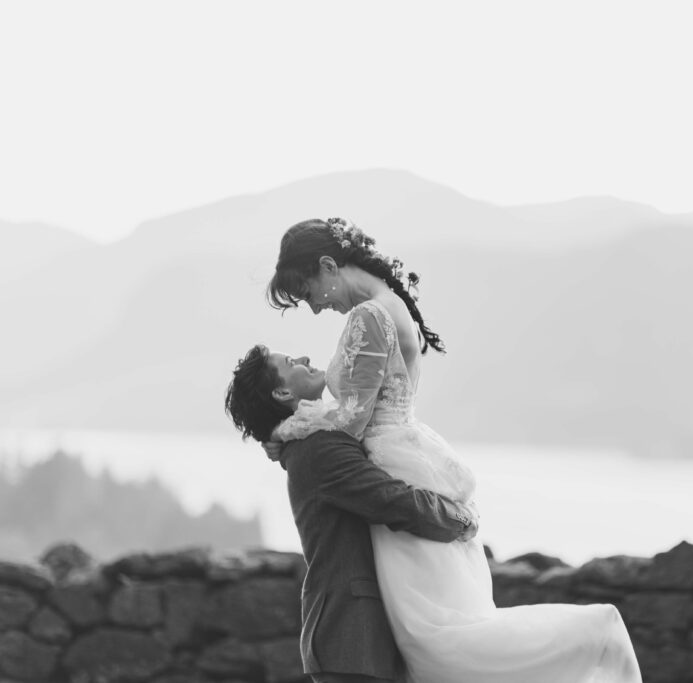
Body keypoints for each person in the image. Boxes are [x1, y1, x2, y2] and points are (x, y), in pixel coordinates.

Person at [264, 217, 642, 683]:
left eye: (309, 293)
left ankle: (595, 633)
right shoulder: (390, 305)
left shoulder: (369, 316)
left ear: (328, 266)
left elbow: (351, 422)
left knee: (435, 639)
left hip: (391, 464)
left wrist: (288, 430)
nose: (317, 308)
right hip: (406, 457)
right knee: (433, 633)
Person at [225, 345, 479, 683]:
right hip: (351, 637)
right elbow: (392, 501)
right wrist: (459, 518)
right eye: (290, 362)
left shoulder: (312, 438)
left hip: (354, 641)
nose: (302, 358)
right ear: (283, 392)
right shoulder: (318, 449)